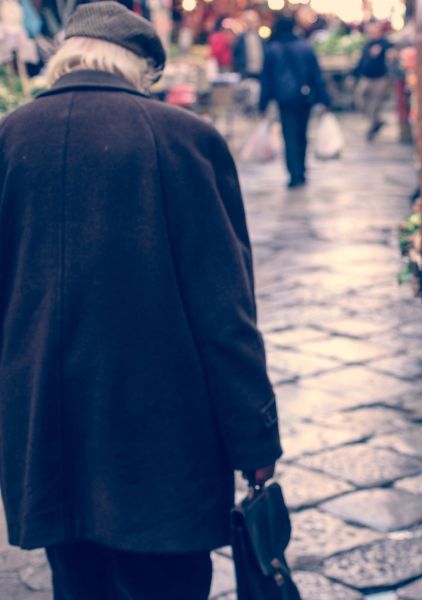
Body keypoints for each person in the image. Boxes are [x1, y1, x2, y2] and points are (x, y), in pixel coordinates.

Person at [0, 3, 282, 599]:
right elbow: (225, 312)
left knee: (75, 583)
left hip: (43, 431)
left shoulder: (10, 137)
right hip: (158, 441)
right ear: (143, 71)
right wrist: (254, 440)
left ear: (63, 60)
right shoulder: (185, 140)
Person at [259, 14, 332, 188]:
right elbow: (316, 75)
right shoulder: (305, 46)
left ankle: (294, 173)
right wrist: (324, 99)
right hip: (304, 97)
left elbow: (266, 79)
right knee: (302, 134)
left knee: (289, 135)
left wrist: (263, 103)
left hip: (284, 99)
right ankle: (301, 170)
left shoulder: (272, 48)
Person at [354, 20, 393, 140]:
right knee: (360, 99)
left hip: (379, 78)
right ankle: (377, 122)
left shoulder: (385, 43)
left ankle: (371, 128)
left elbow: (392, 51)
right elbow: (362, 60)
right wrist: (355, 73)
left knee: (375, 105)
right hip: (366, 77)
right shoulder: (367, 44)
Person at [233, 10, 264, 79]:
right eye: (249, 22)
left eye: (254, 21)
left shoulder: (261, 38)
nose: (252, 24)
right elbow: (236, 55)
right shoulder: (240, 38)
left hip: (260, 73)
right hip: (245, 74)